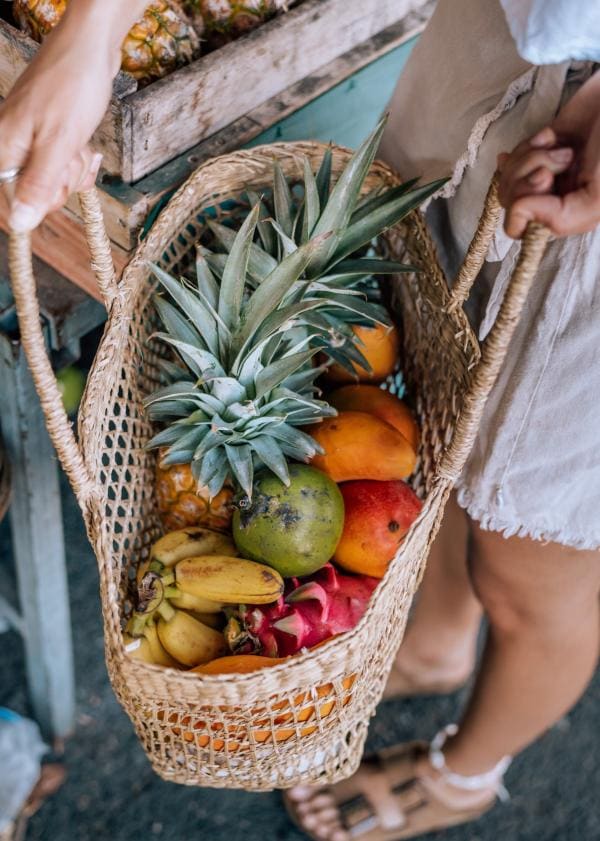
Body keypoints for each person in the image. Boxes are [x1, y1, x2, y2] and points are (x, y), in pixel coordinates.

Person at [1, 1, 599, 839]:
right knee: (449, 409)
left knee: (529, 567)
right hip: (500, 43)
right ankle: (432, 644)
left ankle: (467, 773)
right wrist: (90, 38)